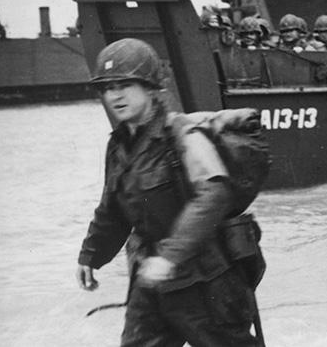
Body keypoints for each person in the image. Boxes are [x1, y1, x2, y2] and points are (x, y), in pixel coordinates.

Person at [75, 39, 259, 345]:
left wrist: (170, 257)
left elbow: (214, 193)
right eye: (107, 88)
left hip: (206, 282)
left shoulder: (182, 133)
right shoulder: (118, 145)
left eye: (124, 84)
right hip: (150, 282)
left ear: (149, 87)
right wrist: (90, 255)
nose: (115, 95)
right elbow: (113, 208)